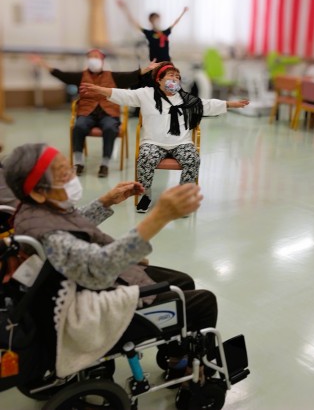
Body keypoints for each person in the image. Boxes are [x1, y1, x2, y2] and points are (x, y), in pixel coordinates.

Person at [3, 142, 216, 384]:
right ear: (38, 191)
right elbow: (99, 267)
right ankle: (192, 371)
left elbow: (71, 226)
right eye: (63, 174)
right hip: (90, 306)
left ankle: (175, 355)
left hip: (78, 284)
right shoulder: (49, 235)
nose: (72, 176)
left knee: (183, 281)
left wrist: (105, 202)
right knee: (204, 302)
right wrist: (160, 216)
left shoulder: (32, 211)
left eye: (69, 168)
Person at [80, 62, 250, 213]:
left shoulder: (186, 99)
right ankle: (145, 196)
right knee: (145, 157)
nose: (174, 79)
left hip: (181, 143)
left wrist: (231, 104)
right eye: (170, 75)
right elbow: (123, 95)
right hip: (153, 143)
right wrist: (99, 89)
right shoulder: (146, 94)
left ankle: (182, 199)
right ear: (159, 80)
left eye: (177, 77)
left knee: (192, 159)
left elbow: (208, 105)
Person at [29, 50, 158, 178]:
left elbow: (131, 75)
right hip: (87, 112)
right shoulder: (80, 76)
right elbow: (61, 75)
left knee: (110, 128)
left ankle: (105, 164)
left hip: (108, 113)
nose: (93, 59)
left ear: (102, 60)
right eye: (90, 57)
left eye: (96, 56)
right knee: (79, 126)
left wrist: (147, 69)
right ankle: (78, 162)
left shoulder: (113, 76)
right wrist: (42, 63)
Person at [117, 0, 188, 62]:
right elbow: (133, 22)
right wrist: (125, 8)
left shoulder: (165, 32)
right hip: (155, 63)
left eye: (157, 19)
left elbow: (175, 22)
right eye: (154, 19)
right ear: (150, 21)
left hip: (166, 62)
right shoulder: (149, 33)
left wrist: (183, 12)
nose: (156, 21)